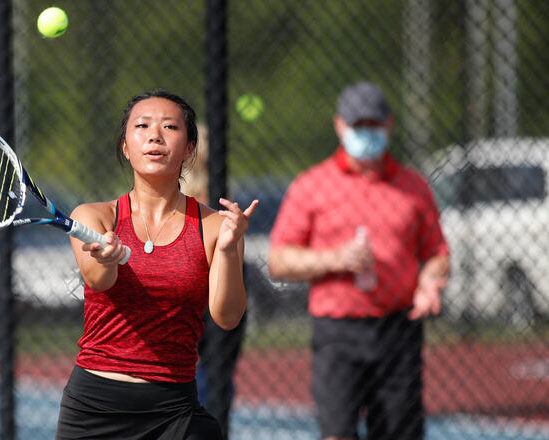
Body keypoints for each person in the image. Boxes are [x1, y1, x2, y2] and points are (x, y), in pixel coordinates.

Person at [55, 89, 258, 440]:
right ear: (125, 146)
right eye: (143, 125)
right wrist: (107, 258)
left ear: (190, 148)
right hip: (94, 407)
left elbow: (227, 317)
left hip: (173, 408)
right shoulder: (94, 217)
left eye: (170, 127)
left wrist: (227, 250)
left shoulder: (215, 227)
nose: (154, 135)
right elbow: (100, 281)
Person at [267, 81, 450, 440]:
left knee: (400, 431)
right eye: (357, 126)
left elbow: (438, 254)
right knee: (337, 432)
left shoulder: (412, 186)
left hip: (398, 328)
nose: (366, 134)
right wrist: (336, 259)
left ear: (389, 125)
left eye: (374, 126)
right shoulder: (311, 186)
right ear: (339, 125)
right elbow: (279, 260)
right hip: (338, 331)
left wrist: (429, 282)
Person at [183, 124, 247, 440]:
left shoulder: (219, 202)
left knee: (207, 416)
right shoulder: (172, 200)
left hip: (212, 344)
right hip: (187, 346)